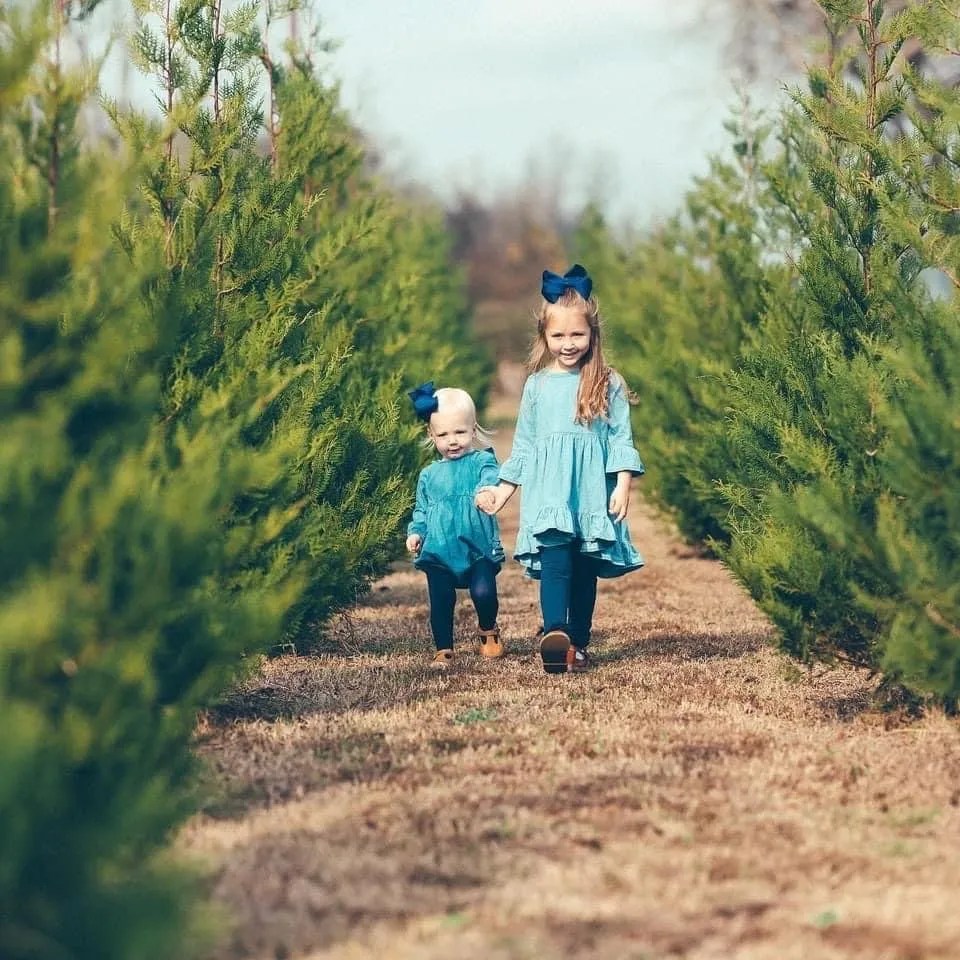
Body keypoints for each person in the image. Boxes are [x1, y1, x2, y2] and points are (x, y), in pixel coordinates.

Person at [477, 264, 644, 674]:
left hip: (591, 493)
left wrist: (623, 484)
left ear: (592, 334)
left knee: (584, 569)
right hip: (549, 492)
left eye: (577, 335)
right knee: (555, 560)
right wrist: (503, 490)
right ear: (544, 336)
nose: (568, 344)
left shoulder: (607, 381)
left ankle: (579, 643)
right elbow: (525, 445)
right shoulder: (536, 385)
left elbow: (621, 439)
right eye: (559, 336)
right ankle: (555, 634)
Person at [406, 382, 506, 670]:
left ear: (473, 430)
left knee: (484, 593)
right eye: (443, 434)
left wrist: (487, 492)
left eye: (460, 432)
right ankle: (444, 648)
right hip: (439, 551)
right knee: (441, 600)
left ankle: (488, 628)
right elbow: (422, 510)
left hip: (477, 548)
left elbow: (491, 477)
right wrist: (416, 532)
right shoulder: (428, 475)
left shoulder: (482, 461)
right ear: (431, 435)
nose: (452, 441)